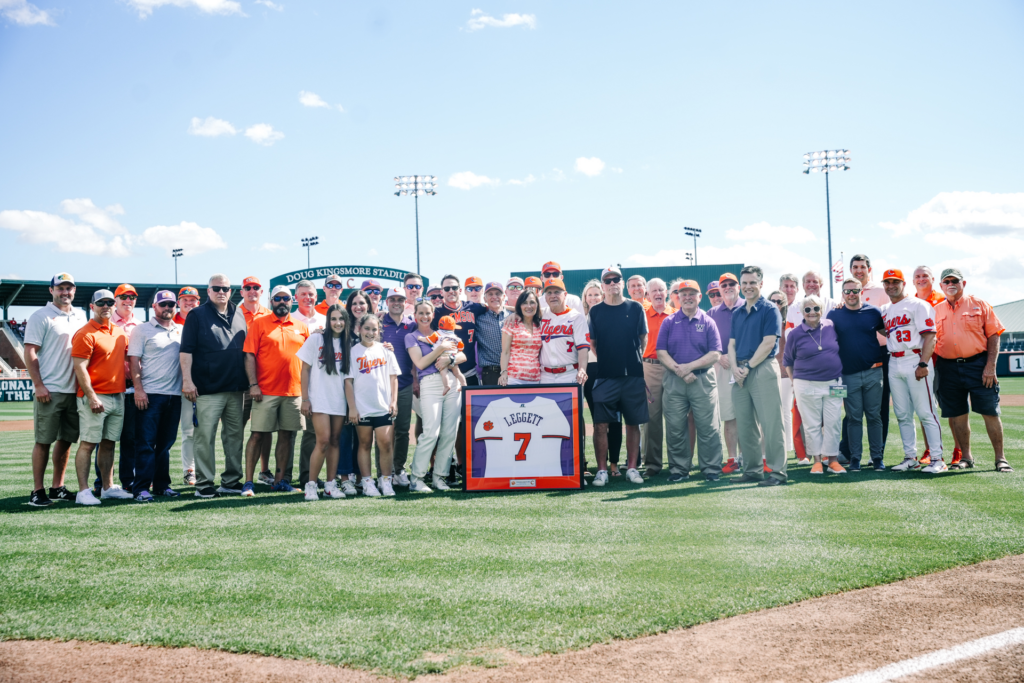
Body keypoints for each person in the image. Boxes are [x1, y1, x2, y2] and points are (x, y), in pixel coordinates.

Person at [933, 268, 1012, 473]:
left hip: (978, 365)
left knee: (990, 412)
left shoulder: (979, 304)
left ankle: (1000, 458)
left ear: (963, 283)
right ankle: (966, 457)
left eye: (955, 280)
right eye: (946, 281)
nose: (951, 283)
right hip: (947, 366)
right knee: (958, 415)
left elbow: (994, 335)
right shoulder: (936, 309)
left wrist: (990, 366)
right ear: (941, 286)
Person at [180, 274, 248, 498]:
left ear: (231, 291)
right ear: (208, 291)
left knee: (234, 437)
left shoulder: (238, 312)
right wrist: (188, 382)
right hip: (207, 389)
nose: (221, 292)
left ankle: (231, 481)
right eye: (216, 288)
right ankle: (204, 484)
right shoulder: (197, 315)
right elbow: (186, 351)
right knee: (205, 437)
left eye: (226, 288)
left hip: (235, 389)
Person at [241, 285, 310, 496]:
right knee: (257, 435)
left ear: (292, 301)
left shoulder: (301, 326)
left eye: (286, 299)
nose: (282, 302)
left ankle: (280, 481)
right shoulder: (259, 323)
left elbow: (309, 361)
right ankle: (249, 482)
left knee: (287, 436)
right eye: (278, 299)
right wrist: (253, 384)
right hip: (265, 391)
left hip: (294, 392)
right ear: (272, 302)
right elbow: (249, 355)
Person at [25, 272, 87, 507]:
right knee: (44, 440)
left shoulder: (81, 317)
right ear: (51, 290)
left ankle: (57, 487)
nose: (65, 292)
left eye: (69, 288)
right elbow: (30, 352)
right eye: (60, 288)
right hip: (50, 389)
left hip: (75, 390)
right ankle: (37, 491)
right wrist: (38, 385)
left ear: (74, 291)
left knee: (66, 440)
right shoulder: (41, 316)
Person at [656, 280, 723, 482]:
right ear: (678, 297)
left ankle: (711, 469)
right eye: (683, 294)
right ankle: (678, 470)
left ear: (699, 297)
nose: (687, 297)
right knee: (675, 427)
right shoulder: (669, 321)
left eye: (692, 293)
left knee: (708, 427)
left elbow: (715, 354)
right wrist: (681, 371)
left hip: (702, 379)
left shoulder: (708, 321)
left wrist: (689, 367)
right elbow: (661, 352)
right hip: (675, 380)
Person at [880, 268, 946, 473]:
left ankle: (937, 459)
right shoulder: (884, 309)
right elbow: (887, 331)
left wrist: (924, 364)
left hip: (915, 358)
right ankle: (910, 457)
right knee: (902, 414)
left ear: (903, 284)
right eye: (887, 282)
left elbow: (930, 336)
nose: (891, 286)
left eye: (895, 282)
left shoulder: (918, 305)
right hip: (894, 361)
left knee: (926, 412)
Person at [588, 266, 648, 486]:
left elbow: (643, 340)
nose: (612, 283)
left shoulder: (636, 308)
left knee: (633, 424)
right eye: (608, 280)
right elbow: (593, 344)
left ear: (622, 283)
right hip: (605, 376)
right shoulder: (595, 311)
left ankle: (632, 468)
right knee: (600, 425)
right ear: (603, 285)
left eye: (616, 279)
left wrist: (630, 360)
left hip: (633, 375)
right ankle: (602, 470)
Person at [70, 290, 132, 505]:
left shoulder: (120, 332)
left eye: (109, 302)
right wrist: (92, 397)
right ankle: (83, 491)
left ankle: (107, 487)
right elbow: (80, 368)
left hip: (118, 395)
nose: (106, 306)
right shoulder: (85, 333)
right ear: (92, 306)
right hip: (95, 397)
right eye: (101, 303)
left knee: (109, 443)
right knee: (88, 444)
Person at [728, 265, 787, 486]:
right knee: (745, 423)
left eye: (752, 282)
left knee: (771, 423)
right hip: (740, 372)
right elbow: (731, 344)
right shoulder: (737, 312)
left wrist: (748, 367)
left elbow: (769, 343)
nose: (748, 287)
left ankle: (778, 473)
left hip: (761, 368)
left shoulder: (770, 309)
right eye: (744, 283)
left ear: (761, 283)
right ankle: (752, 470)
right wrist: (735, 367)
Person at [127, 290, 183, 501]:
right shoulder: (142, 330)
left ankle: (161, 485)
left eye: (171, 304)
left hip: (174, 395)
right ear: (154, 306)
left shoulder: (181, 329)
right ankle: (141, 488)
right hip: (150, 395)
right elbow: (134, 362)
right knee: (146, 444)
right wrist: (139, 389)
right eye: (163, 304)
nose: (168, 308)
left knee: (165, 444)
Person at [827, 278, 886, 471]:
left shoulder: (873, 312)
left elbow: (889, 333)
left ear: (861, 291)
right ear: (842, 293)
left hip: (873, 372)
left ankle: (877, 458)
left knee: (874, 416)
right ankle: (855, 459)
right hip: (847, 375)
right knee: (853, 417)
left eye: (855, 291)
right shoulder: (834, 314)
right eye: (847, 291)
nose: (851, 294)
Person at [406, 301, 465, 493]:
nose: (424, 317)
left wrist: (451, 358)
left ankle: (440, 477)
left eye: (428, 313)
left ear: (433, 315)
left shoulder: (442, 333)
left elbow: (462, 355)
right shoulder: (412, 337)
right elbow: (421, 363)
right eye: (421, 313)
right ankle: (417, 478)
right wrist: (441, 349)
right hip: (430, 383)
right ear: (415, 315)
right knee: (431, 431)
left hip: (452, 381)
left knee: (449, 432)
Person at [784, 294, 845, 475]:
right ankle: (817, 460)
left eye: (816, 308)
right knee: (812, 424)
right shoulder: (795, 333)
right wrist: (795, 383)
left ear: (822, 310)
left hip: (835, 382)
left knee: (834, 422)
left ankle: (832, 460)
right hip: (806, 384)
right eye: (808, 309)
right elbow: (787, 361)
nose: (812, 312)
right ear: (802, 312)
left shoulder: (831, 326)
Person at [298, 303, 351, 500]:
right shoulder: (316, 339)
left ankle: (330, 485)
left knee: (336, 440)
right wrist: (305, 399)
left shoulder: (348, 343)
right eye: (334, 318)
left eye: (341, 319)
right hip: (318, 399)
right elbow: (305, 369)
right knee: (323, 440)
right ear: (328, 321)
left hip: (338, 400)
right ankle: (311, 485)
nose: (338, 323)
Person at [346, 313, 400, 497]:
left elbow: (393, 377)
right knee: (364, 443)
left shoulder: (386, 350)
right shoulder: (353, 352)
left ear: (379, 331)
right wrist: (352, 407)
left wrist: (393, 401)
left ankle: (386, 480)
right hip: (363, 407)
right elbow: (348, 382)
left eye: (374, 329)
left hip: (383, 406)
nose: (370, 332)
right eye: (367, 328)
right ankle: (367, 482)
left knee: (385, 443)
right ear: (359, 329)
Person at [912, 265, 960, 465]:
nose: (921, 279)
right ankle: (930, 450)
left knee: (952, 408)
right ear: (913, 280)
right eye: (918, 276)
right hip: (922, 362)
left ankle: (959, 450)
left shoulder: (942, 299)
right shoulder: (910, 301)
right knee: (925, 408)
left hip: (943, 359)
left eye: (925, 276)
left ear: (933, 279)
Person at [283, 280, 326, 486]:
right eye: (303, 294)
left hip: (319, 385)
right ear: (296, 297)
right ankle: (285, 477)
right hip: (292, 383)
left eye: (311, 294)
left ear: (316, 296)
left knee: (313, 433)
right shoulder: (289, 320)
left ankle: (309, 476)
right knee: (289, 433)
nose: (308, 298)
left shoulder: (325, 320)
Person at [581, 279, 622, 476]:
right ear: (585, 299)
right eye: (590, 295)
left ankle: (614, 463)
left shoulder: (612, 314)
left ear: (603, 295)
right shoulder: (579, 318)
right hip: (590, 370)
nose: (594, 297)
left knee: (614, 419)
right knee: (598, 421)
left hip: (612, 370)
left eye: (597, 294)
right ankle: (601, 465)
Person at [380, 287, 417, 487]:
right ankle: (382, 471)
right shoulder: (378, 323)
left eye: (400, 299)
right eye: (392, 299)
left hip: (404, 384)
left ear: (405, 302)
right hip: (380, 385)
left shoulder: (411, 325)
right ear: (387, 302)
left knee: (402, 430)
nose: (396, 302)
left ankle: (399, 469)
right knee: (383, 430)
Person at [238, 276, 273, 483]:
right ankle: (233, 474)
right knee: (235, 431)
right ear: (241, 292)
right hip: (239, 381)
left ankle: (264, 471)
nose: (252, 290)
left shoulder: (269, 314)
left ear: (261, 292)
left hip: (265, 382)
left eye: (256, 288)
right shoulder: (233, 314)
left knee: (264, 429)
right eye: (247, 287)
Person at [107, 283, 141, 494]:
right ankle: (103, 482)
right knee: (106, 439)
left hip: (132, 387)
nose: (128, 301)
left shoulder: (140, 325)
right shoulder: (106, 322)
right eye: (124, 297)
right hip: (110, 387)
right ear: (116, 300)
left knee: (131, 438)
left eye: (132, 297)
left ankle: (128, 480)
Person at [708, 272, 743, 473]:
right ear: (720, 289)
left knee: (749, 415)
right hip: (722, 368)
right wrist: (719, 355)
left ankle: (750, 457)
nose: (728, 287)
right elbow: (705, 342)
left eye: (732, 284)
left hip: (746, 367)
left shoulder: (748, 308)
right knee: (729, 415)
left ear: (738, 286)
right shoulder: (712, 313)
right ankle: (732, 458)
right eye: (724, 285)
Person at [640, 278, 674, 476]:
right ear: (648, 294)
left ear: (667, 292)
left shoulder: (676, 315)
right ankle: (652, 465)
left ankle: (677, 463)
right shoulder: (643, 314)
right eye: (654, 290)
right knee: (651, 418)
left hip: (672, 369)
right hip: (650, 367)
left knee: (675, 417)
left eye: (661, 289)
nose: (658, 293)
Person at [538, 277, 589, 385]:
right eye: (549, 292)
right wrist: (514, 314)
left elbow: (583, 348)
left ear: (565, 294)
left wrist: (582, 369)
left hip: (570, 374)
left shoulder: (576, 317)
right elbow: (522, 309)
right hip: (545, 376)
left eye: (557, 292)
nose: (553, 296)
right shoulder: (539, 314)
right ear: (545, 297)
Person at [175, 286, 201, 486]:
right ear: (179, 302)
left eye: (193, 300)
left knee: (192, 431)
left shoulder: (200, 320)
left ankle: (193, 470)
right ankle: (188, 470)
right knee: (178, 432)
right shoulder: (168, 320)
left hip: (192, 383)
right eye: (185, 299)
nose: (189, 303)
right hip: (168, 384)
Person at [778, 274, 801, 458]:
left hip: (800, 366)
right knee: (784, 408)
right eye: (785, 286)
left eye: (792, 286)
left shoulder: (802, 308)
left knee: (799, 409)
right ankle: (787, 447)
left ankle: (802, 448)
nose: (788, 289)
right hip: (781, 367)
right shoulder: (774, 310)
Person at [499, 290, 543, 385]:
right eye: (524, 303)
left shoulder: (540, 324)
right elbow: (505, 352)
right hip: (514, 379)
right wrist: (504, 373)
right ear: (520, 306)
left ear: (537, 305)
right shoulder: (512, 323)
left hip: (535, 379)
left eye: (532, 302)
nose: (529, 306)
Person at [419, 316, 466, 394]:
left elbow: (429, 340)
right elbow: (461, 348)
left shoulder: (437, 334)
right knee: (457, 373)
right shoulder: (456, 337)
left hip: (442, 355)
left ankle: (446, 386)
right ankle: (464, 384)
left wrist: (421, 338)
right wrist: (456, 352)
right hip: (452, 355)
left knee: (443, 372)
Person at [477, 281, 511, 386]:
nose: (494, 297)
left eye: (497, 294)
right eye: (490, 294)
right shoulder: (478, 319)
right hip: (491, 372)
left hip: (513, 370)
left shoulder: (513, 316)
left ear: (504, 296)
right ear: (485, 298)